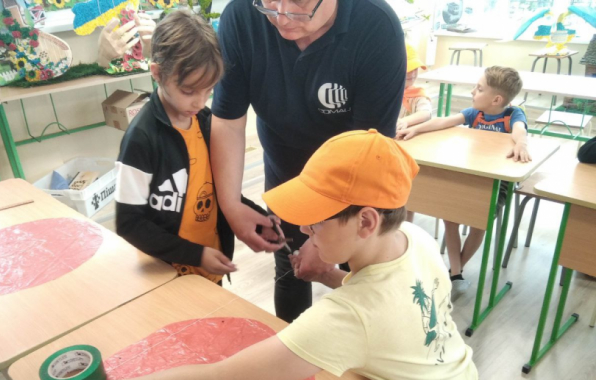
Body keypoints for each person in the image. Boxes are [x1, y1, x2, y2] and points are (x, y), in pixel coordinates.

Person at [32, 130, 480, 380]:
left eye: (317, 220)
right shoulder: (415, 239)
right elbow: (394, 309)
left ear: (365, 221)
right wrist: (329, 273)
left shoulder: (347, 320)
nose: (304, 228)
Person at [210, 0, 406, 322]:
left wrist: (324, 240)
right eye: (269, 2)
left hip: (353, 186)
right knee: (292, 270)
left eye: (299, 2)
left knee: (361, 280)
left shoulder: (376, 26)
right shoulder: (241, 16)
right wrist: (230, 205)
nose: (282, 16)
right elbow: (228, 120)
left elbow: (370, 151)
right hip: (287, 174)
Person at [114, 10, 271, 284]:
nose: (200, 101)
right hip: (165, 278)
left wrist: (258, 218)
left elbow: (215, 190)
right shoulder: (141, 139)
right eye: (189, 91)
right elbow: (129, 223)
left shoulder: (206, 121)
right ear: (157, 73)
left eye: (209, 90)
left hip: (209, 271)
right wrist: (195, 255)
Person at [397, 66, 530, 299]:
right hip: (472, 176)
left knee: (479, 223)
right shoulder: (474, 113)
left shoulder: (513, 115)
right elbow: (443, 122)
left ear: (497, 100)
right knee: (450, 216)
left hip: (497, 181)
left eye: (479, 89)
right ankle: (455, 273)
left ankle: (455, 271)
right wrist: (415, 129)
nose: (472, 92)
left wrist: (522, 143)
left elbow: (520, 130)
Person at [396, 42, 431, 223]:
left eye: (415, 68)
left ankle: (407, 225)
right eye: (407, 68)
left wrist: (405, 121)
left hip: (410, 152)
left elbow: (425, 113)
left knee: (410, 194)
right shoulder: (385, 89)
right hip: (390, 150)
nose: (412, 73)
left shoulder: (418, 94)